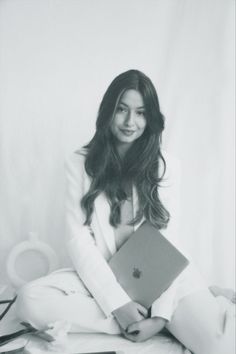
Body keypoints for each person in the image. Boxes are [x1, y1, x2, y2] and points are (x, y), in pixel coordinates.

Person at [15, 70, 235, 353]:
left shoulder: (166, 165)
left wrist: (159, 316)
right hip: (109, 276)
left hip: (164, 280)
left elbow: (169, 242)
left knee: (223, 347)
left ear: (150, 118)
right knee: (29, 300)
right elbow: (78, 240)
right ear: (108, 111)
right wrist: (118, 304)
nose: (130, 122)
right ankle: (136, 321)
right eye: (122, 110)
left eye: (141, 113)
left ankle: (192, 308)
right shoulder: (79, 163)